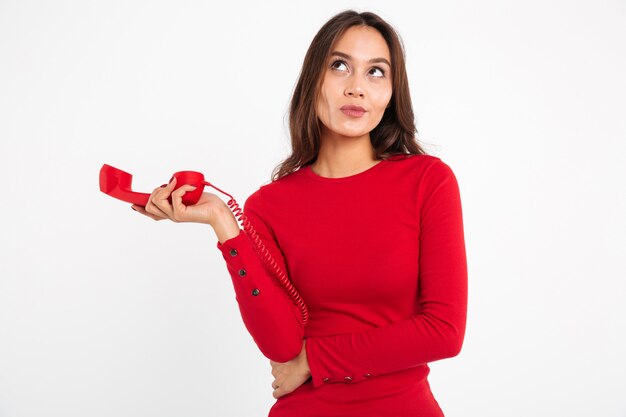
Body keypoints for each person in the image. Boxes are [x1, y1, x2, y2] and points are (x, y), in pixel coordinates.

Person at [131, 9, 467, 417]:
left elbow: (443, 332)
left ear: (392, 93)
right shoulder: (268, 206)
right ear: (314, 81)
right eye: (340, 66)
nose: (357, 87)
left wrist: (315, 360)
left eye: (376, 72)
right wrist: (225, 226)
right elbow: (281, 346)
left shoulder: (427, 181)